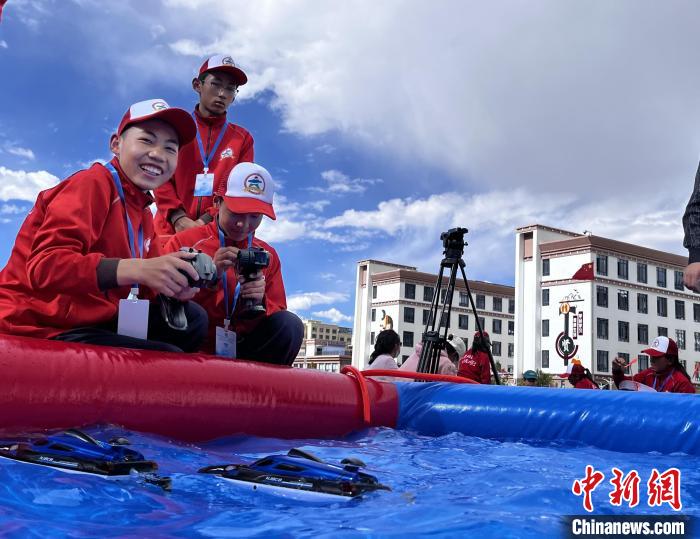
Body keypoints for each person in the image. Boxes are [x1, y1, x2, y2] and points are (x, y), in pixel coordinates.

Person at [0, 99, 208, 352]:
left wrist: (174, 287)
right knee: (166, 357)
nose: (157, 154)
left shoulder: (142, 210)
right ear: (116, 144)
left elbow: (147, 285)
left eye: (170, 148)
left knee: (194, 319)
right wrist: (139, 269)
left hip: (93, 317)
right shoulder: (91, 183)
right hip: (40, 321)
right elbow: (45, 266)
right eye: (146, 140)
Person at [163, 162, 303, 365]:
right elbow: (163, 301)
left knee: (289, 325)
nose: (243, 224)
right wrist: (210, 279)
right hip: (193, 343)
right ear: (217, 203)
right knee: (190, 314)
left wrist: (260, 301)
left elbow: (278, 311)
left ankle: (262, 384)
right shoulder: (184, 241)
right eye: (236, 213)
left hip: (243, 347)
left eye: (254, 216)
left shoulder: (268, 254)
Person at [154, 55, 254, 236]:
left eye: (230, 88)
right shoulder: (175, 127)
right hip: (167, 231)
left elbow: (237, 189)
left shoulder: (242, 139)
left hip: (214, 234)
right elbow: (158, 173)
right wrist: (178, 218)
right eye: (215, 84)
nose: (222, 94)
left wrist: (205, 221)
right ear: (197, 85)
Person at [612, 336, 695, 394]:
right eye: (651, 356)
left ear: (670, 360)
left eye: (656, 357)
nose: (651, 360)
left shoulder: (682, 383)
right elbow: (624, 385)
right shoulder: (648, 373)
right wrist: (617, 371)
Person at [399, 334, 464, 376]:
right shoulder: (447, 364)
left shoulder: (418, 353)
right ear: (454, 355)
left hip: (398, 390)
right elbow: (450, 388)